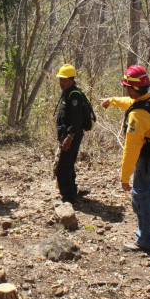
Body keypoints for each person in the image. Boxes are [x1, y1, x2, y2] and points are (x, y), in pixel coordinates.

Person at [101, 65, 150, 252]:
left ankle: (144, 240)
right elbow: (129, 102)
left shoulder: (137, 117)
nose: (126, 90)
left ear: (134, 89)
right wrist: (112, 100)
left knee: (141, 199)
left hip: (146, 162)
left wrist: (125, 178)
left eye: (127, 87)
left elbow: (131, 150)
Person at [54, 64, 86, 204]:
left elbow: (76, 119)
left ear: (72, 80)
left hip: (72, 136)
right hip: (66, 136)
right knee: (68, 164)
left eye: (64, 80)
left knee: (63, 168)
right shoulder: (66, 93)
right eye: (60, 79)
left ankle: (69, 198)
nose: (62, 82)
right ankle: (72, 191)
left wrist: (69, 137)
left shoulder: (75, 96)